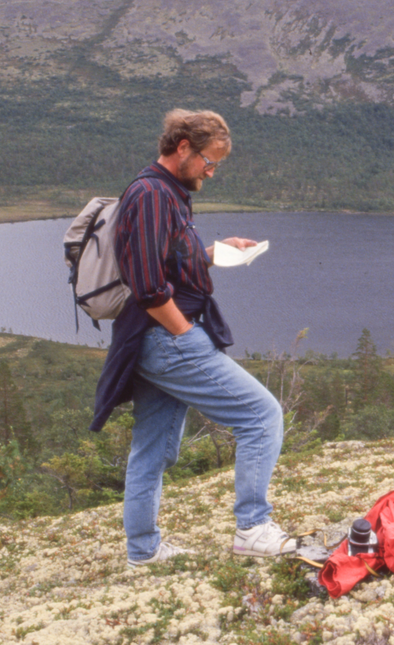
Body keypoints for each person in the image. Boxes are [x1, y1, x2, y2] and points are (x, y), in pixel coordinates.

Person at [89, 108, 294, 566]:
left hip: (154, 338)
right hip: (167, 339)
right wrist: (185, 336)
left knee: (154, 449)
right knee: (261, 416)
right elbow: (146, 286)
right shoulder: (150, 195)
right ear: (183, 148)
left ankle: (143, 551)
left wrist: (215, 255)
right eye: (209, 161)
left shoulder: (168, 192)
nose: (211, 171)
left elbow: (167, 262)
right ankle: (253, 527)